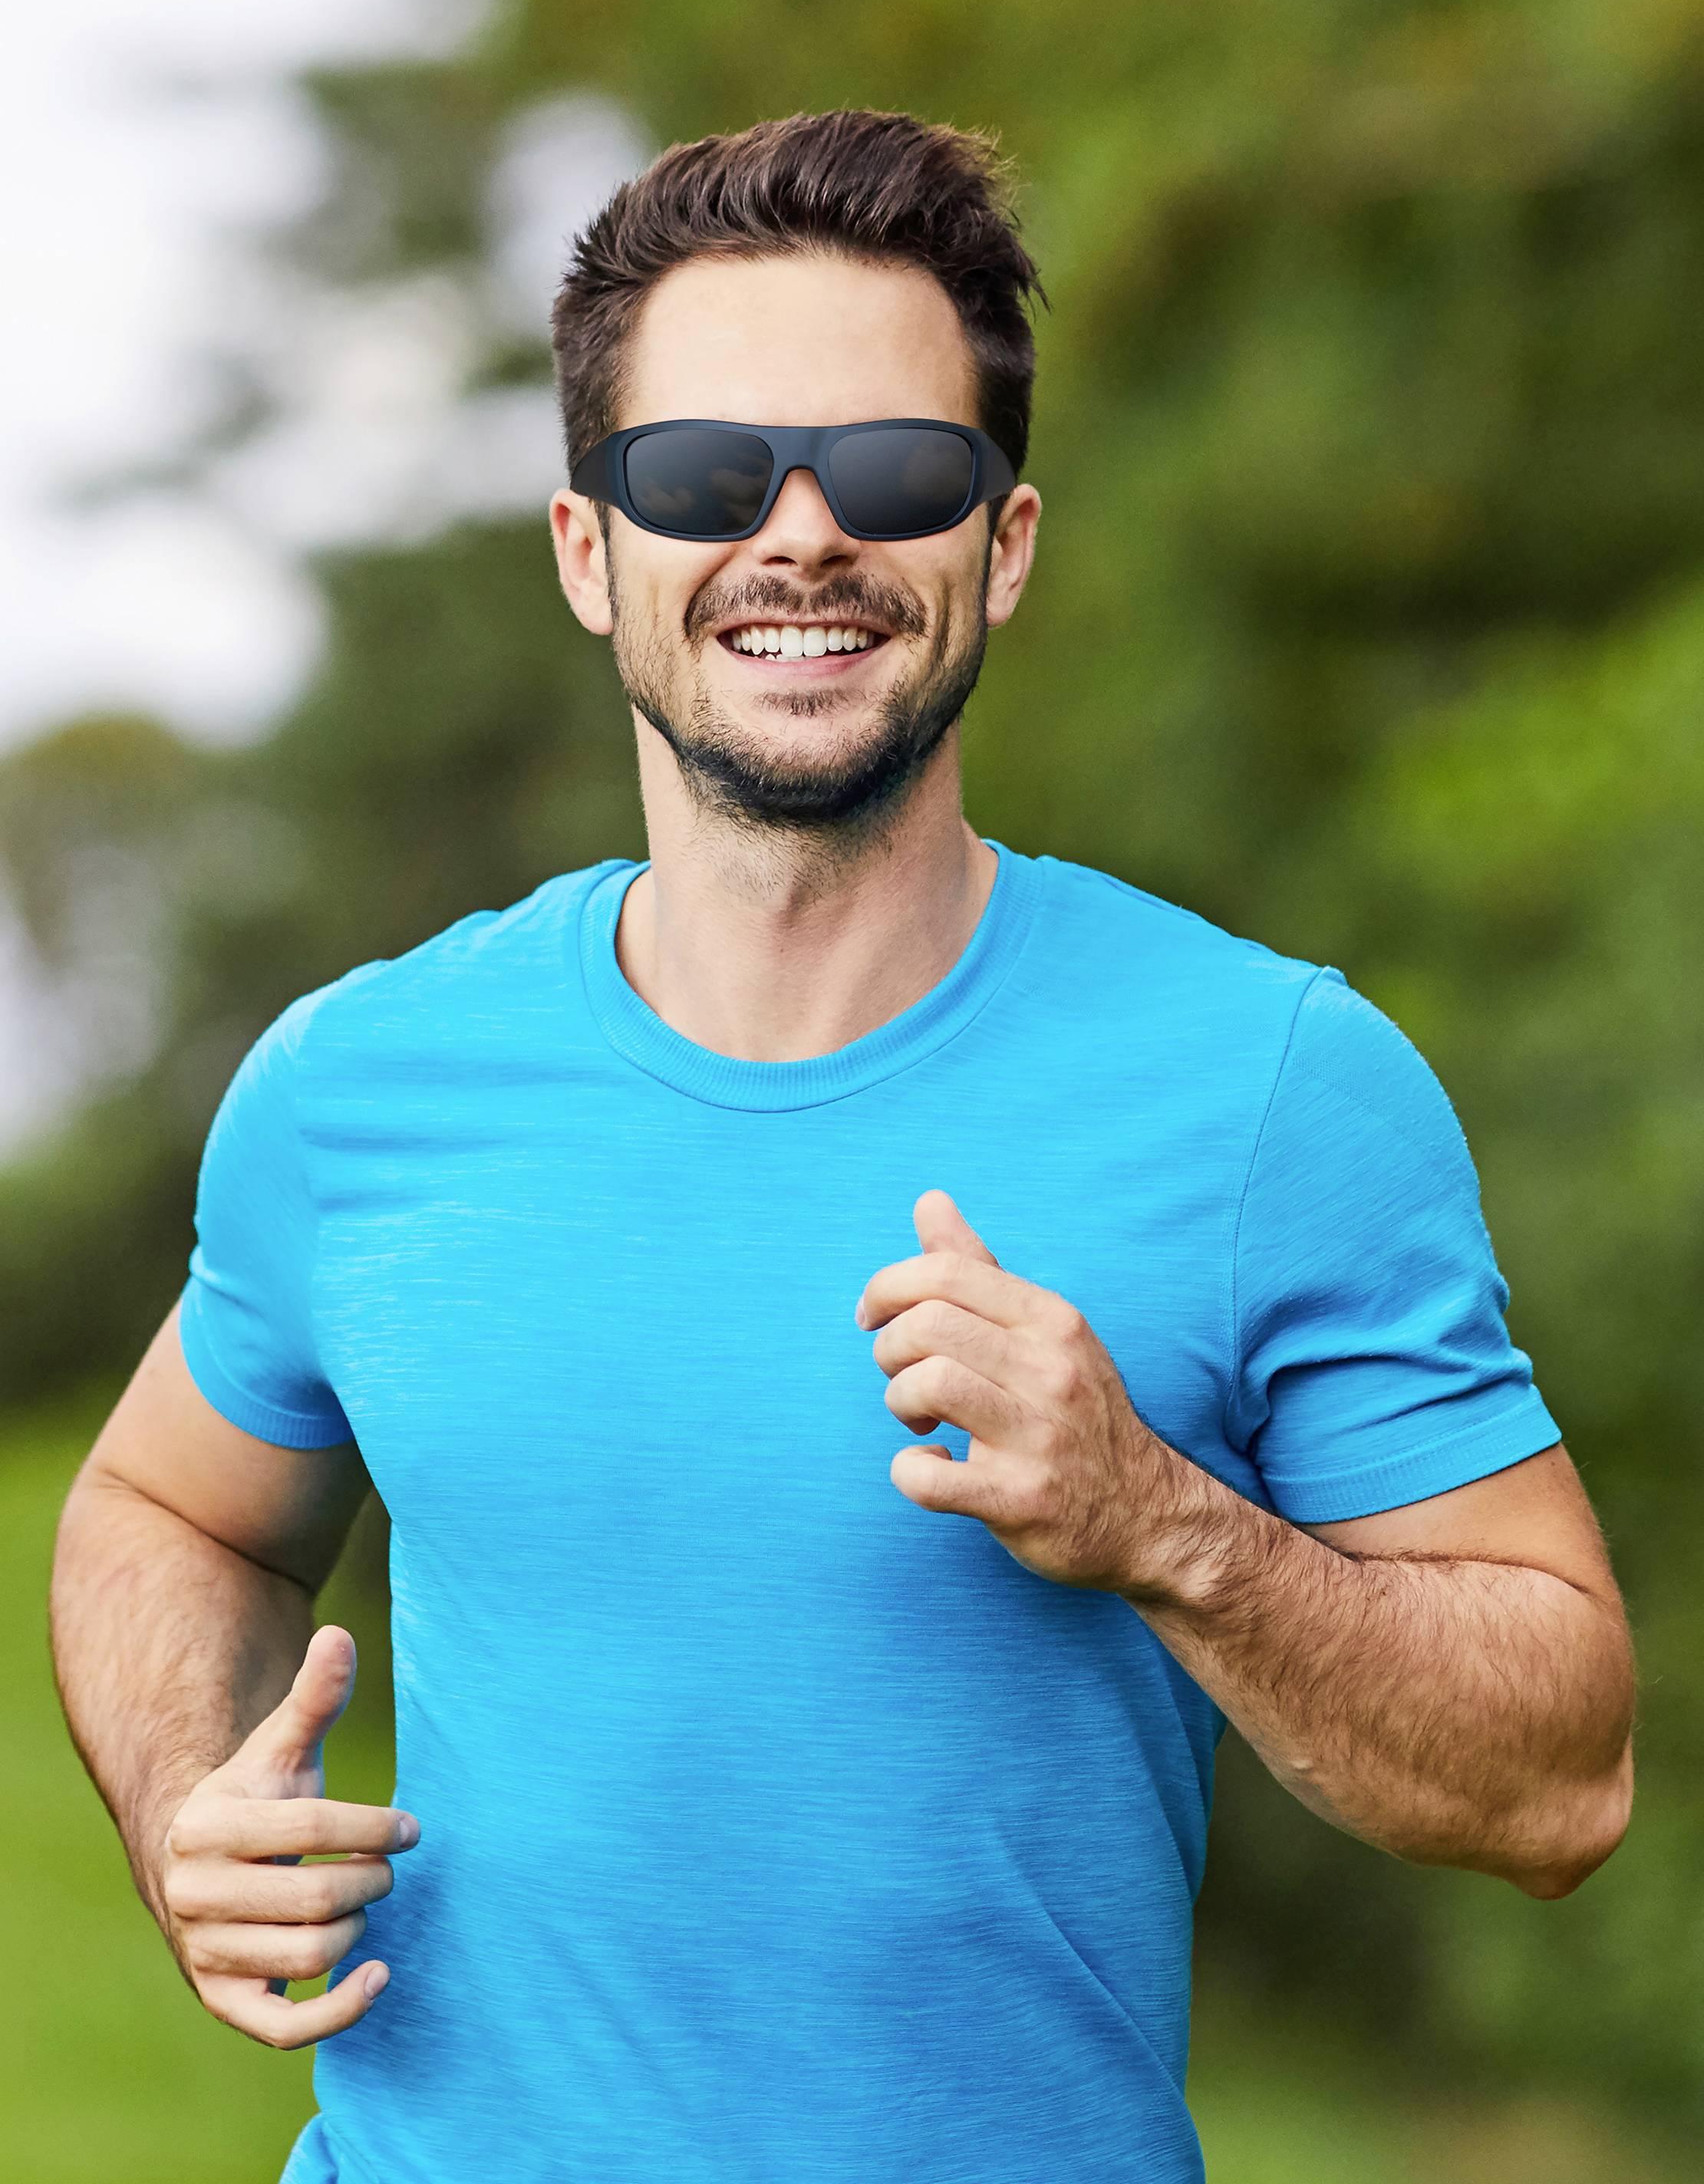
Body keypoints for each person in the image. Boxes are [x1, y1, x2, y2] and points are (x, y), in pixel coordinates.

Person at [50, 108, 1635, 2184]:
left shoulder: (1274, 1086)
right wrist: (189, 1806)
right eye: (706, 476)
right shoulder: (359, 1087)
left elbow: (1561, 1780)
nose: (800, 538)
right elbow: (165, 1508)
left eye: (890, 473)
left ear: (1005, 543)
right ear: (587, 549)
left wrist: (1164, 1521)